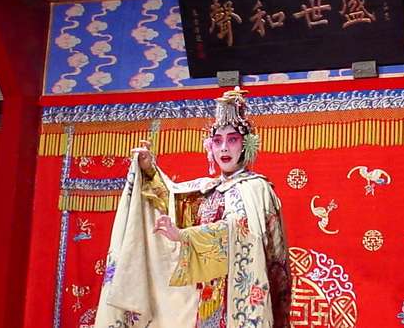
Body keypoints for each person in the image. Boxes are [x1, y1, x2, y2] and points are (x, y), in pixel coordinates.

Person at [95, 87, 291, 328]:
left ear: (246, 145)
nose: (224, 148)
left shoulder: (256, 188)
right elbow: (173, 202)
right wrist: (149, 170)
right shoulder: (207, 189)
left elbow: (239, 232)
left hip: (240, 295)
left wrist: (184, 236)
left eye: (232, 140)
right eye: (217, 141)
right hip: (205, 297)